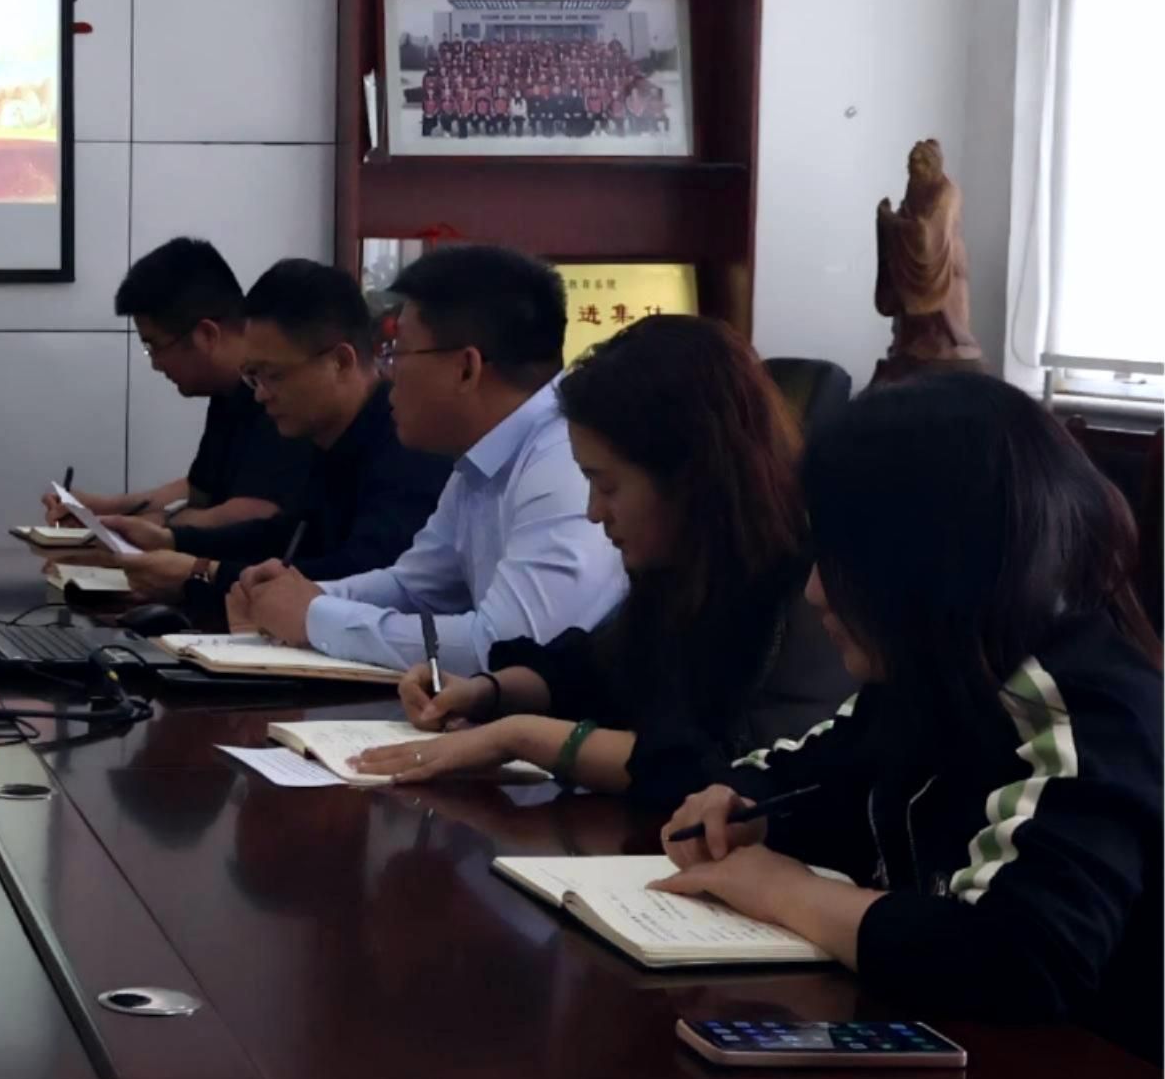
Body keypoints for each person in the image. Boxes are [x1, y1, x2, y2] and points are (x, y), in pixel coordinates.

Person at [654, 371, 1160, 1062]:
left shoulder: (1080, 713)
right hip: (947, 1065)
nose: (814, 591)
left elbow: (1021, 957)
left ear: (929, 562)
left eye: (839, 558)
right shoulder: (927, 679)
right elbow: (805, 774)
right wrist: (742, 806)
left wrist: (782, 890)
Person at [352, 315, 852, 804]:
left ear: (691, 476)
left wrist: (519, 737)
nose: (594, 512)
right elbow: (601, 669)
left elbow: (728, 769)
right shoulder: (683, 570)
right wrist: (486, 692)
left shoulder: (810, 593)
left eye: (607, 486)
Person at [229, 242, 625, 670]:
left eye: (396, 352)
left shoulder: (564, 458)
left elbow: (504, 646)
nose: (386, 371)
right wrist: (306, 595)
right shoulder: (479, 459)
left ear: (466, 368)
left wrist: (314, 616)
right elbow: (415, 588)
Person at [58, 259, 448, 615]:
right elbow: (287, 536)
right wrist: (170, 541)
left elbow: (360, 577)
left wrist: (200, 572)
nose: (260, 395)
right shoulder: (329, 435)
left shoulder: (408, 445)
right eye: (252, 377)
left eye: (273, 376)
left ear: (340, 362)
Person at [45, 237, 310, 538]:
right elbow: (200, 489)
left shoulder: (277, 394)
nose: (155, 365)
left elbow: (253, 513)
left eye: (155, 347)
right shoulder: (226, 394)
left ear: (206, 335)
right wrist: (103, 509)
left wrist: (155, 525)